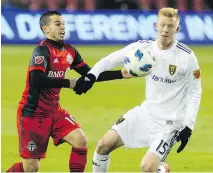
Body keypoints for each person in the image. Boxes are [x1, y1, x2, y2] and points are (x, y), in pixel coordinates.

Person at [73, 7, 202, 172]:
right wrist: (91, 76)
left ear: (177, 28)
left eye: (170, 26)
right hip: (146, 113)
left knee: (147, 167)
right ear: (156, 25)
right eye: (162, 25)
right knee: (103, 146)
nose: (165, 30)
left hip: (171, 123)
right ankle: (161, 169)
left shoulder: (187, 57)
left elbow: (195, 92)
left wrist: (188, 126)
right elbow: (110, 59)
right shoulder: (143, 48)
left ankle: (160, 169)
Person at [6, 10, 130, 172]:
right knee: (31, 167)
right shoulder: (41, 51)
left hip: (54, 112)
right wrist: (68, 83)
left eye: (64, 24)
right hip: (33, 114)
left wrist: (120, 74)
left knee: (80, 140)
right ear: (46, 29)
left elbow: (91, 74)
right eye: (57, 24)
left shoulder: (69, 51)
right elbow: (36, 79)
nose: (63, 27)